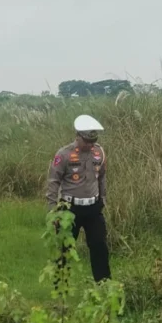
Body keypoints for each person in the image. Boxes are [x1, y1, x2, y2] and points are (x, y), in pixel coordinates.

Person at [46, 115, 110, 282]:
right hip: (69, 209)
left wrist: (102, 199)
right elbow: (53, 182)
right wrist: (53, 212)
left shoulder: (99, 152)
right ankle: (61, 288)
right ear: (78, 137)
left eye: (93, 141)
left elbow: (102, 176)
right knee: (64, 249)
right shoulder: (63, 154)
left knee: (99, 247)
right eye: (87, 141)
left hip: (93, 208)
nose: (90, 145)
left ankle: (104, 285)